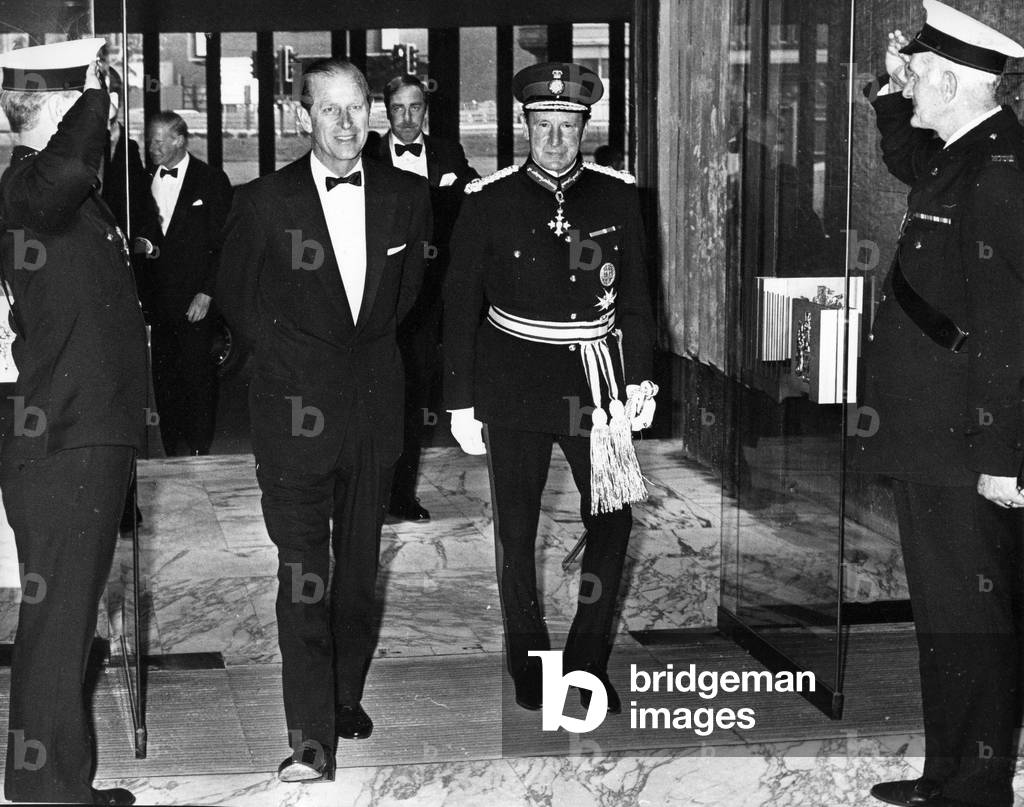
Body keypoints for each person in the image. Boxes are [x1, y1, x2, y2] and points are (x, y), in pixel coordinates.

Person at [217, 58, 431, 782]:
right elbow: (240, 305)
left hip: (374, 415)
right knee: (303, 571)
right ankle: (310, 735)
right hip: (292, 417)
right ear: (301, 117)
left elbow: (404, 301)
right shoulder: (261, 202)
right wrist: (298, 364)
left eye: (356, 108)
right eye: (329, 111)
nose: (346, 125)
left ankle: (343, 695)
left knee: (359, 574)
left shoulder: (407, 197)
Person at [443, 62, 657, 714]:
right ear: (526, 124)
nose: (556, 139)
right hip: (513, 384)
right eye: (544, 125)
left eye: (568, 126)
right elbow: (458, 305)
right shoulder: (488, 200)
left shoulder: (619, 197)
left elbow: (642, 298)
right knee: (517, 528)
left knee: (613, 521)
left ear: (585, 126)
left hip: (596, 385)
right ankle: (533, 666)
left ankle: (586, 667)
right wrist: (458, 398)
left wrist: (642, 376)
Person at [854, 3, 1024, 806]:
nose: (909, 79)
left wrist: (1002, 459)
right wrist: (891, 87)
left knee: (978, 621)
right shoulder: (957, 154)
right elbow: (902, 148)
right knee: (945, 613)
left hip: (968, 445)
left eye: (918, 72)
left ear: (951, 80)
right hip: (929, 437)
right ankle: (947, 773)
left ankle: (981, 785)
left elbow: (1011, 330)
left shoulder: (998, 173)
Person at [0, 38, 146, 806]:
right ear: (56, 112)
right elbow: (66, 163)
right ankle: (52, 791)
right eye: (91, 111)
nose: (110, 126)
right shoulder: (28, 186)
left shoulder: (63, 201)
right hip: (65, 436)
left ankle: (46, 778)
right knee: (59, 622)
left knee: (63, 618)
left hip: (79, 432)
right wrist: (98, 95)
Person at [374, 73, 479, 521]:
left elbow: (471, 201)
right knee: (381, 400)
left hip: (437, 294)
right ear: (386, 111)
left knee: (417, 398)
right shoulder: (369, 156)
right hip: (387, 295)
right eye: (398, 108)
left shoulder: (449, 153)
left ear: (425, 109)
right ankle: (370, 496)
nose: (407, 117)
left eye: (414, 107)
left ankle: (401, 496)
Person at [146, 110, 232, 457]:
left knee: (197, 377)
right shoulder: (142, 179)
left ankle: (199, 448)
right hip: (158, 301)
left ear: (179, 140)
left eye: (157, 140)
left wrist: (208, 292)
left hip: (197, 300)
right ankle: (172, 447)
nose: (151, 147)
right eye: (150, 140)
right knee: (165, 378)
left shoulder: (211, 181)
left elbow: (225, 242)